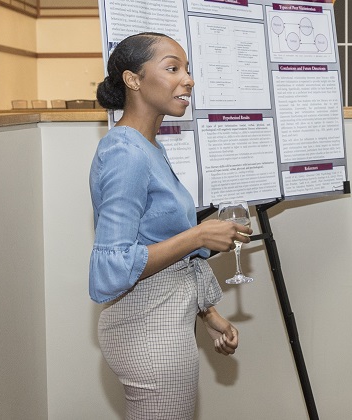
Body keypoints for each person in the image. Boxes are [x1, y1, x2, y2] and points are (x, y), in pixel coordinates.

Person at [90, 32, 252, 419]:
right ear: (133, 80)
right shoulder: (125, 155)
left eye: (188, 70)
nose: (189, 79)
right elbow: (110, 269)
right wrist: (197, 235)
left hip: (167, 316)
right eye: (172, 68)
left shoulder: (148, 147)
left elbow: (159, 245)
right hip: (147, 330)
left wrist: (208, 314)